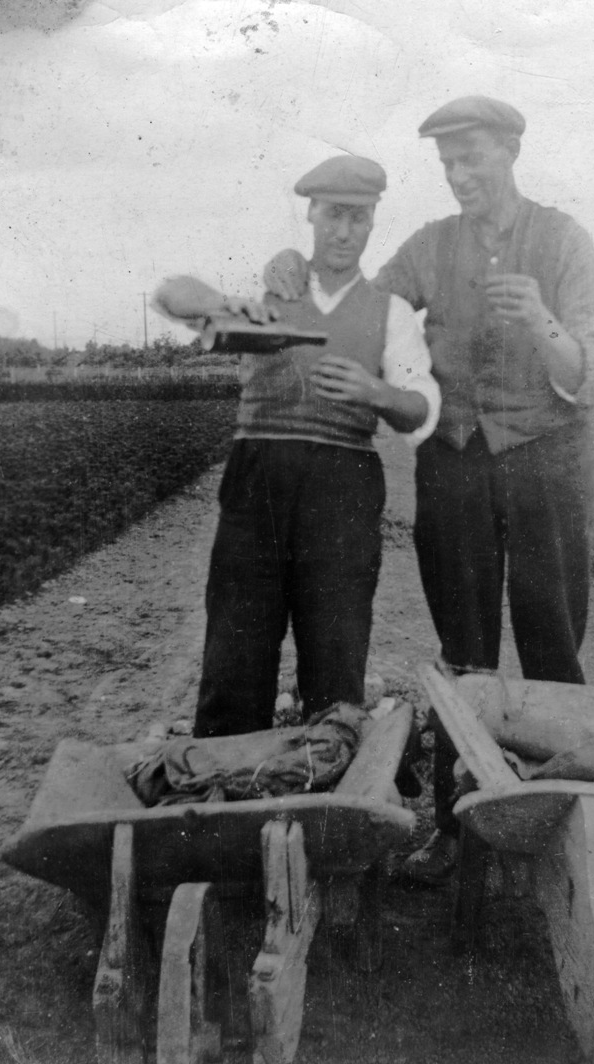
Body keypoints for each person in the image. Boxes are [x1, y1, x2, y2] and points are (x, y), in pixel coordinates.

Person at [263, 97, 594, 884]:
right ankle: (461, 838)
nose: (459, 177)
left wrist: (543, 324)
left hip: (543, 462)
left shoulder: (562, 240)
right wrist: (292, 272)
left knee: (553, 643)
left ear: (512, 152)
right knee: (464, 656)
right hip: (454, 466)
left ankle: (566, 832)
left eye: (473, 159)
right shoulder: (430, 247)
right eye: (448, 164)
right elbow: (361, 310)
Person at [191, 154, 441, 743]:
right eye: (333, 215)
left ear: (374, 221)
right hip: (258, 477)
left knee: (336, 643)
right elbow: (177, 298)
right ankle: (223, 792)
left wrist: (374, 390)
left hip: (343, 482)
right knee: (236, 642)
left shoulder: (391, 312)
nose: (344, 232)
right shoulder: (272, 291)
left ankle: (330, 790)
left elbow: (423, 407)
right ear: (311, 214)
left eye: (358, 218)